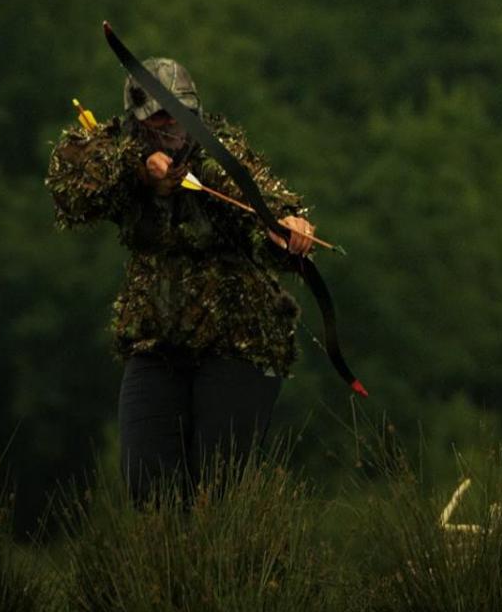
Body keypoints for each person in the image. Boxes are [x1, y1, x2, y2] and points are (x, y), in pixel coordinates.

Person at [44, 56, 317, 503]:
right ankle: (168, 575)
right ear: (137, 121)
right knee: (148, 487)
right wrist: (140, 169)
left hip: (237, 343)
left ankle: (236, 572)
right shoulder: (117, 152)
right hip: (156, 342)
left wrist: (285, 225)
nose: (172, 126)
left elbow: (257, 191)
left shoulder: (215, 151)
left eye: (180, 114)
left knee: (219, 492)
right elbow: (70, 181)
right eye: (159, 117)